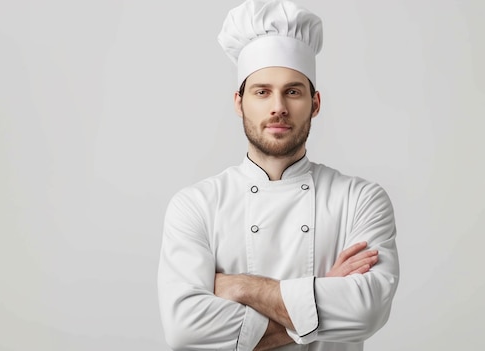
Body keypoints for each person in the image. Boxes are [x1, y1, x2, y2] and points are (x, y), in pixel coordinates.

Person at [157, 0, 400, 350]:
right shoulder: (196, 205)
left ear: (315, 104)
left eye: (293, 91)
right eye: (262, 91)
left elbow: (367, 310)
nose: (278, 107)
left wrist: (241, 286)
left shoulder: (359, 199)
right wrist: (322, 292)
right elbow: (186, 331)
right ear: (239, 102)